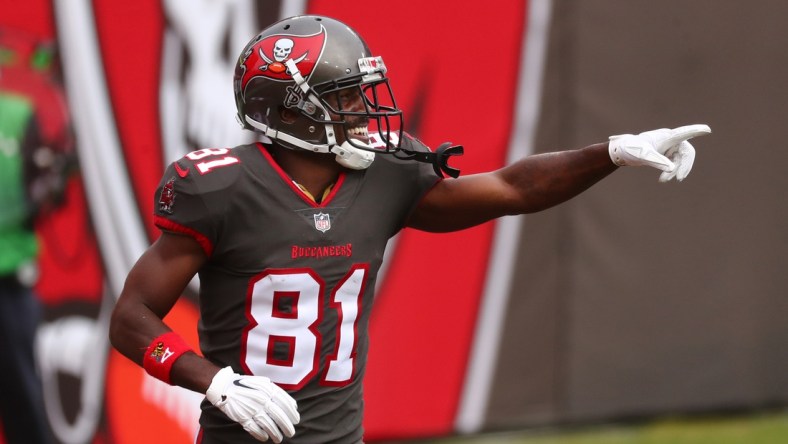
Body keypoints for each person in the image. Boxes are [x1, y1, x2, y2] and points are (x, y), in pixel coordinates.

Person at [109, 15, 710, 444]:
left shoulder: (385, 175)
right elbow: (131, 317)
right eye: (345, 98)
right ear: (290, 112)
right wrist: (213, 382)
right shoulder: (220, 188)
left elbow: (510, 188)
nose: (366, 110)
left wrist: (612, 153)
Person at [0, 28, 74, 444]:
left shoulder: (21, 109)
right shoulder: (21, 107)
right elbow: (49, 184)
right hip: (11, 274)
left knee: (23, 399)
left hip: (9, 274)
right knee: (22, 399)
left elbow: (49, 181)